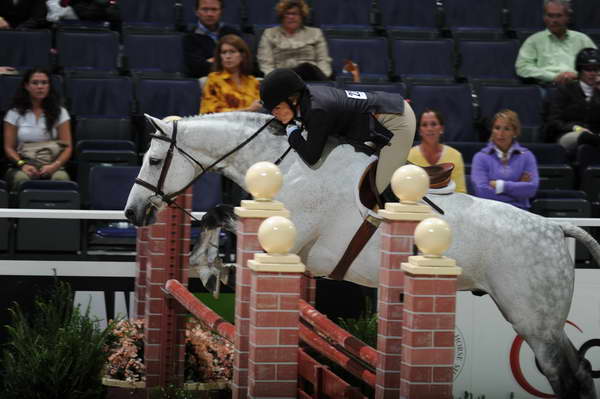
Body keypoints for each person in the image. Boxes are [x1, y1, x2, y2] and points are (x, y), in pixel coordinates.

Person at [260, 68, 415, 197]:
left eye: (277, 108)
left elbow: (311, 157)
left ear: (292, 100)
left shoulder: (317, 109)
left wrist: (291, 130)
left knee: (380, 193)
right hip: (378, 120)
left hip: (395, 122)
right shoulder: (309, 100)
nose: (275, 114)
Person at [3, 68, 73, 191]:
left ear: (49, 86)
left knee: (61, 179)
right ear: (26, 86)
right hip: (23, 164)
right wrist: (22, 165)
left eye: (44, 83)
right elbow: (9, 147)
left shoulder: (60, 112)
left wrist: (54, 166)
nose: (40, 87)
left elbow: (67, 147)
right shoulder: (14, 113)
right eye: (35, 83)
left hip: (52, 163)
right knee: (21, 180)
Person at [515, 0, 597, 85]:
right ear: (544, 17)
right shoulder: (533, 41)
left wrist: (577, 75)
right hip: (546, 87)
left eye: (559, 16)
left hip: (578, 86)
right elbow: (522, 68)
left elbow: (597, 65)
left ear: (568, 17)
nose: (554, 20)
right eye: (550, 16)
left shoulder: (582, 39)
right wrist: (552, 77)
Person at [471, 110, 539, 210]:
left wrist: (500, 186)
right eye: (497, 128)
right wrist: (518, 191)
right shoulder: (481, 157)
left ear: (515, 132)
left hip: (519, 212)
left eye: (506, 129)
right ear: (492, 130)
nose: (500, 133)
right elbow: (482, 191)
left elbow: (531, 189)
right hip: (489, 212)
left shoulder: (527, 156)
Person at [257, 0, 332, 81]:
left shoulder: (315, 33)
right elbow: (266, 64)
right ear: (281, 16)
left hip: (311, 78)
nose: (291, 17)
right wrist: (275, 80)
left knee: (307, 67)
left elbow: (323, 61)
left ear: (302, 16)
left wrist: (323, 80)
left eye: (295, 14)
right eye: (287, 14)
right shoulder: (269, 34)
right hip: (282, 79)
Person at [545, 47, 600, 153]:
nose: (592, 73)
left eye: (596, 69)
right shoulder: (564, 91)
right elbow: (553, 122)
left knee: (591, 137)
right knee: (585, 136)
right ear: (579, 71)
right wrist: (576, 128)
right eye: (588, 69)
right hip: (567, 134)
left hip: (595, 134)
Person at [407, 109, 467, 193]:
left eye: (433, 124)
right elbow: (407, 189)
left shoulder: (455, 155)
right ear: (420, 131)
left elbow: (460, 191)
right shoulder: (409, 155)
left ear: (441, 128)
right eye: (424, 125)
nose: (429, 129)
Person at [200, 34, 261, 114]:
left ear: (242, 55)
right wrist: (247, 110)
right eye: (224, 52)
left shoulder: (253, 82)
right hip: (221, 125)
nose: (227, 56)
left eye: (232, 52)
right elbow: (209, 112)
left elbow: (259, 110)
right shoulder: (213, 80)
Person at [183, 0, 242, 79]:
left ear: (221, 12)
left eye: (214, 9)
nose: (209, 14)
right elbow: (197, 68)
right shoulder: (189, 38)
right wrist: (229, 61)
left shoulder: (233, 33)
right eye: (205, 9)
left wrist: (212, 60)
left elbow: (244, 60)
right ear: (196, 12)